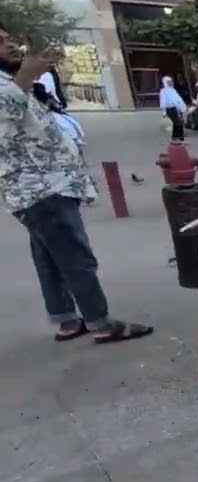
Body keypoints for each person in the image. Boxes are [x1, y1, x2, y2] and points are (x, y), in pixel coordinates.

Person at [0, 30, 153, 343]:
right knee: (76, 258)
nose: (11, 43)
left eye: (8, 37)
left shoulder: (9, 81)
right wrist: (26, 76)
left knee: (48, 257)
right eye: (0, 41)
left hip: (41, 188)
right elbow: (6, 112)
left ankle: (66, 320)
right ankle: (101, 323)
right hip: (42, 189)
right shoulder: (8, 87)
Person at [159, 75, 186, 142]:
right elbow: (162, 101)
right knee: (177, 122)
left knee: (177, 122)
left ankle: (176, 136)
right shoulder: (163, 91)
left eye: (171, 81)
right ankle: (179, 136)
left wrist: (182, 107)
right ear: (165, 82)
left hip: (176, 108)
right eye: (169, 82)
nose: (170, 83)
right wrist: (164, 111)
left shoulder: (173, 90)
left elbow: (178, 99)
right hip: (170, 109)